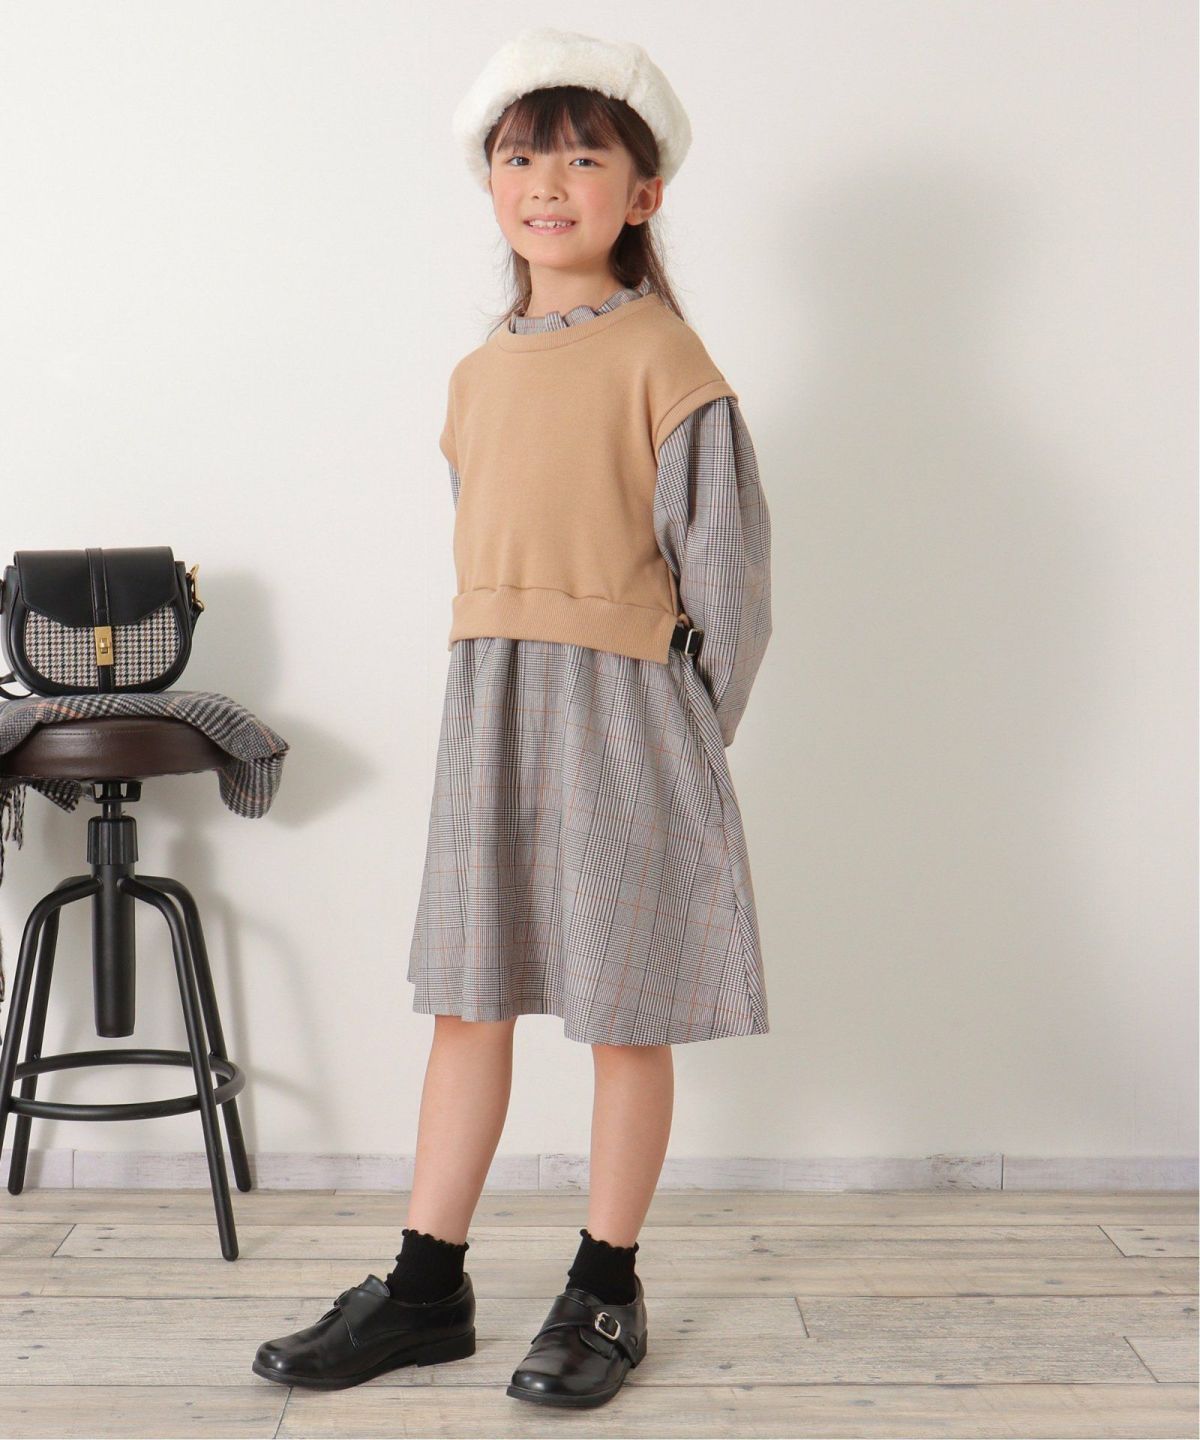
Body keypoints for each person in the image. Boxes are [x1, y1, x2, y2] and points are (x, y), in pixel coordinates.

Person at [252, 26, 773, 1409]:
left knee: (623, 1011)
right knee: (468, 1001)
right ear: (488, 182)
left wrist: (682, 739)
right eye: (522, 156)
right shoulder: (477, 374)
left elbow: (730, 581)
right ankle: (426, 1287)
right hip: (491, 710)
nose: (550, 182)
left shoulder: (667, 359)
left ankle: (606, 1287)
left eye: (586, 158)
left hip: (628, 720)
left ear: (642, 195)